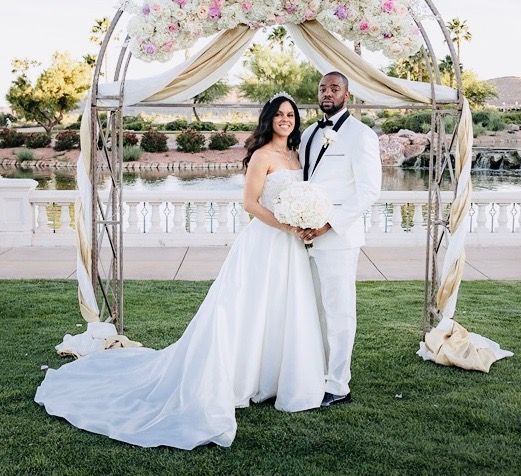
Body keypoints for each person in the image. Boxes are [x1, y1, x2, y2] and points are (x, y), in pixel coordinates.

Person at [35, 94, 325, 450]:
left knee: (283, 307)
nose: (285, 119)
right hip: (265, 243)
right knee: (246, 308)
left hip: (291, 247)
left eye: (290, 114)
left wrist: (304, 221)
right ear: (268, 119)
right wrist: (285, 225)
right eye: (279, 114)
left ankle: (277, 376)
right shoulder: (262, 155)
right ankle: (240, 377)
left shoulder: (296, 155)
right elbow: (249, 204)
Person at [299, 71, 382, 407]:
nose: (327, 93)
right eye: (322, 88)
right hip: (303, 238)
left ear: (347, 94)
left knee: (339, 311)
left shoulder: (362, 136)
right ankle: (314, 372)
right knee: (312, 309)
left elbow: (368, 191)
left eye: (334, 88)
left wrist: (327, 224)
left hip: (338, 238)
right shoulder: (307, 133)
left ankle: (338, 384)